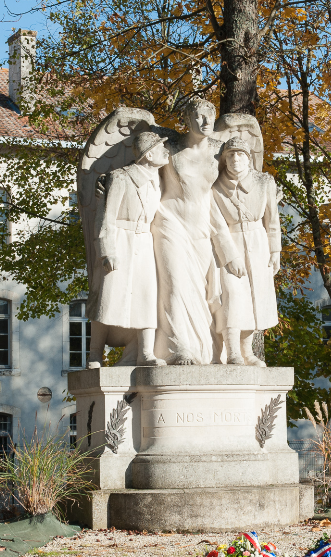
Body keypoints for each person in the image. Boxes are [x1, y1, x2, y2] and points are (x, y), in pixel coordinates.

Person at [152, 98, 246, 365]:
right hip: (170, 222)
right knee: (174, 284)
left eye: (209, 116)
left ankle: (207, 352)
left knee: (204, 293)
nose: (205, 122)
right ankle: (178, 347)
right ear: (186, 119)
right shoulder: (169, 148)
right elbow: (141, 169)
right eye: (198, 116)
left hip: (202, 229)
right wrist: (109, 183)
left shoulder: (219, 151)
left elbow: (238, 180)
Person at [87, 131, 170, 367]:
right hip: (120, 240)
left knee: (147, 296)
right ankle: (95, 354)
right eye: (161, 147)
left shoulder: (159, 181)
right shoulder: (120, 177)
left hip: (144, 241)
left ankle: (146, 352)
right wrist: (106, 250)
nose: (166, 152)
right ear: (148, 153)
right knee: (107, 296)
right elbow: (106, 217)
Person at [210, 137, 281, 366]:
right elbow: (217, 225)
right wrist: (230, 256)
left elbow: (272, 220)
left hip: (258, 243)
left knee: (254, 298)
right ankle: (232, 351)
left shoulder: (263, 182)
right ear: (224, 160)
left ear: (249, 159)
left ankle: (247, 352)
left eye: (240, 154)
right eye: (230, 155)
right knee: (231, 296)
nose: (235, 159)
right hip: (230, 243)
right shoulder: (215, 187)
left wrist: (275, 251)